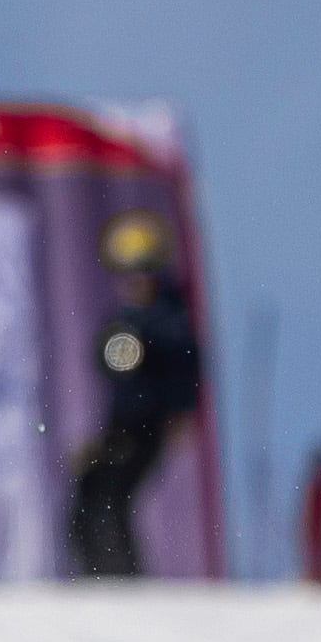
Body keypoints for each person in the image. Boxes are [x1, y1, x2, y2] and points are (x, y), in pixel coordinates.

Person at [65, 211, 201, 578]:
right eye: (127, 272)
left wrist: (179, 412)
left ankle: (122, 580)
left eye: (144, 270)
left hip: (148, 427)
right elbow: (108, 361)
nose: (136, 280)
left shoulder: (169, 318)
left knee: (109, 499)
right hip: (120, 427)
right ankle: (100, 574)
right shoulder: (125, 319)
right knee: (90, 493)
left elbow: (184, 370)